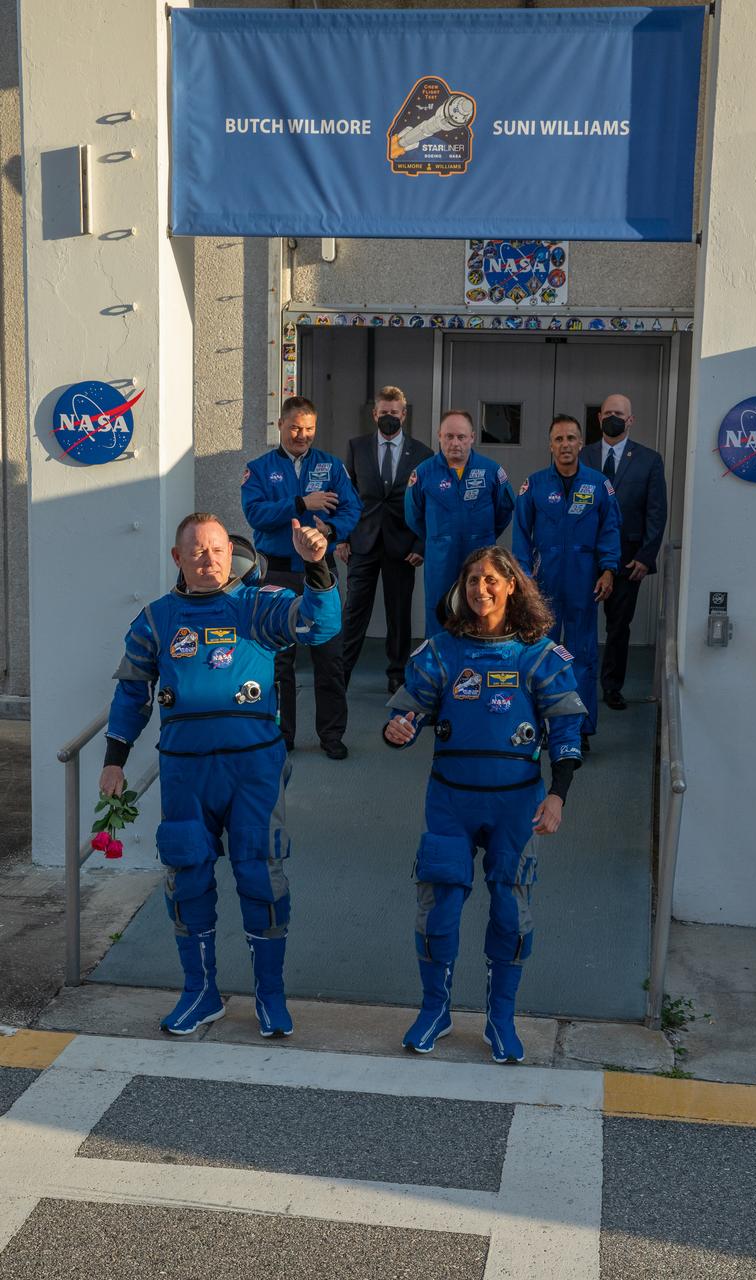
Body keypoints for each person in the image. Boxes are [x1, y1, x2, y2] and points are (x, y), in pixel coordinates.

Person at [99, 513, 341, 1037]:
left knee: (260, 875)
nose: (208, 559)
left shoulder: (259, 604)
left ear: (231, 554)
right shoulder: (156, 619)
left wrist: (318, 568)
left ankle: (269, 996)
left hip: (253, 769)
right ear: (177, 557)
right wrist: (114, 759)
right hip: (185, 771)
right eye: (197, 551)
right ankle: (200, 993)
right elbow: (132, 691)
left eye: (216, 549)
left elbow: (318, 625)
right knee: (187, 875)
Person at [384, 546, 585, 1064]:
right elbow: (408, 714)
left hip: (516, 804)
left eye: (492, 579)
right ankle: (436, 1010)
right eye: (473, 580)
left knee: (511, 914)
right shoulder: (441, 652)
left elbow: (566, 734)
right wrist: (398, 729)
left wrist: (558, 795)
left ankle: (501, 1019)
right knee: (439, 911)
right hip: (450, 800)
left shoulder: (539, 655)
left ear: (512, 585)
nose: (481, 589)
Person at [241, 396, 361, 758]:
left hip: (320, 571)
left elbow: (353, 508)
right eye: (295, 427)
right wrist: (301, 504)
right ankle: (282, 734)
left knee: (329, 657)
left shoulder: (331, 466)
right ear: (280, 425)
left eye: (309, 429)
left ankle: (332, 735)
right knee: (280, 661)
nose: (302, 435)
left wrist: (332, 530)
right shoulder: (259, 469)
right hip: (277, 573)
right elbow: (256, 514)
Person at [513, 414, 621, 750]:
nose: (565, 445)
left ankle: (579, 729)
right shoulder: (534, 485)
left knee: (581, 657)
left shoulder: (598, 485)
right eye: (558, 439)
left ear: (581, 443)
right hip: (543, 584)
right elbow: (520, 534)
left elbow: (610, 530)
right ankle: (541, 725)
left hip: (583, 583)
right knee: (541, 656)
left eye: (571, 438)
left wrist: (608, 569)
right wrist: (524, 578)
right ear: (550, 445)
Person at [338, 385, 433, 694]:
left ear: (403, 415)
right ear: (374, 414)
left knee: (399, 614)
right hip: (362, 542)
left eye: (394, 412)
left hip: (402, 547)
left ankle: (397, 673)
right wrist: (342, 538)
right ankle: (341, 672)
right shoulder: (357, 447)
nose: (388, 416)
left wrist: (420, 545)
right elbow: (346, 496)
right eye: (383, 412)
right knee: (354, 612)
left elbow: (426, 505)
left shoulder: (422, 454)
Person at [581, 394, 668, 710]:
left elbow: (656, 512)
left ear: (630, 420)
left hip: (628, 558)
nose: (612, 418)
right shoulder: (582, 455)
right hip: (585, 556)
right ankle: (577, 685)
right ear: (599, 418)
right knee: (580, 623)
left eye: (619, 413)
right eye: (607, 413)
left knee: (618, 626)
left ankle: (612, 687)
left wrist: (646, 556)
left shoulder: (649, 460)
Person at [405, 410, 515, 637]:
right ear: (439, 436)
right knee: (439, 612)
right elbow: (413, 515)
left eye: (461, 437)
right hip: (440, 558)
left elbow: (504, 510)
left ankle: (478, 657)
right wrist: (437, 538)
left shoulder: (491, 471)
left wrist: (484, 535)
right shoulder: (423, 473)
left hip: (480, 556)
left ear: (472, 437)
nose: (455, 443)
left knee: (481, 610)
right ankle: (439, 659)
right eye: (449, 436)